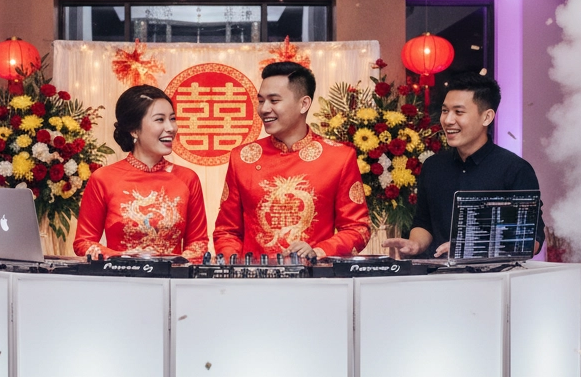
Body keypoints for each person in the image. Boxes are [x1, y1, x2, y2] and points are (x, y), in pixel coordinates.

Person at [213, 61, 371, 259]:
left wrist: (319, 251)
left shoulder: (339, 157)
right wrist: (234, 265)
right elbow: (226, 231)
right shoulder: (243, 158)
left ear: (303, 104)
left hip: (315, 281)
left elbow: (358, 229)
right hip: (254, 282)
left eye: (274, 100)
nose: (264, 109)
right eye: (261, 101)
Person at [383, 70, 545, 258]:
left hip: (493, 282)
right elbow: (424, 222)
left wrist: (471, 248)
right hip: (438, 279)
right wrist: (415, 245)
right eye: (445, 111)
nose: (448, 120)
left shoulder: (514, 169)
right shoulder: (433, 166)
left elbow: (532, 240)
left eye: (459, 112)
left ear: (487, 117)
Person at [73, 84, 209, 261]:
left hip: (170, 282)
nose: (171, 128)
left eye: (173, 119)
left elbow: (198, 243)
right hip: (121, 281)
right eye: (160, 120)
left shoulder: (188, 179)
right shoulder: (103, 178)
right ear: (134, 129)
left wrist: (170, 266)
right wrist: (125, 260)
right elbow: (84, 241)